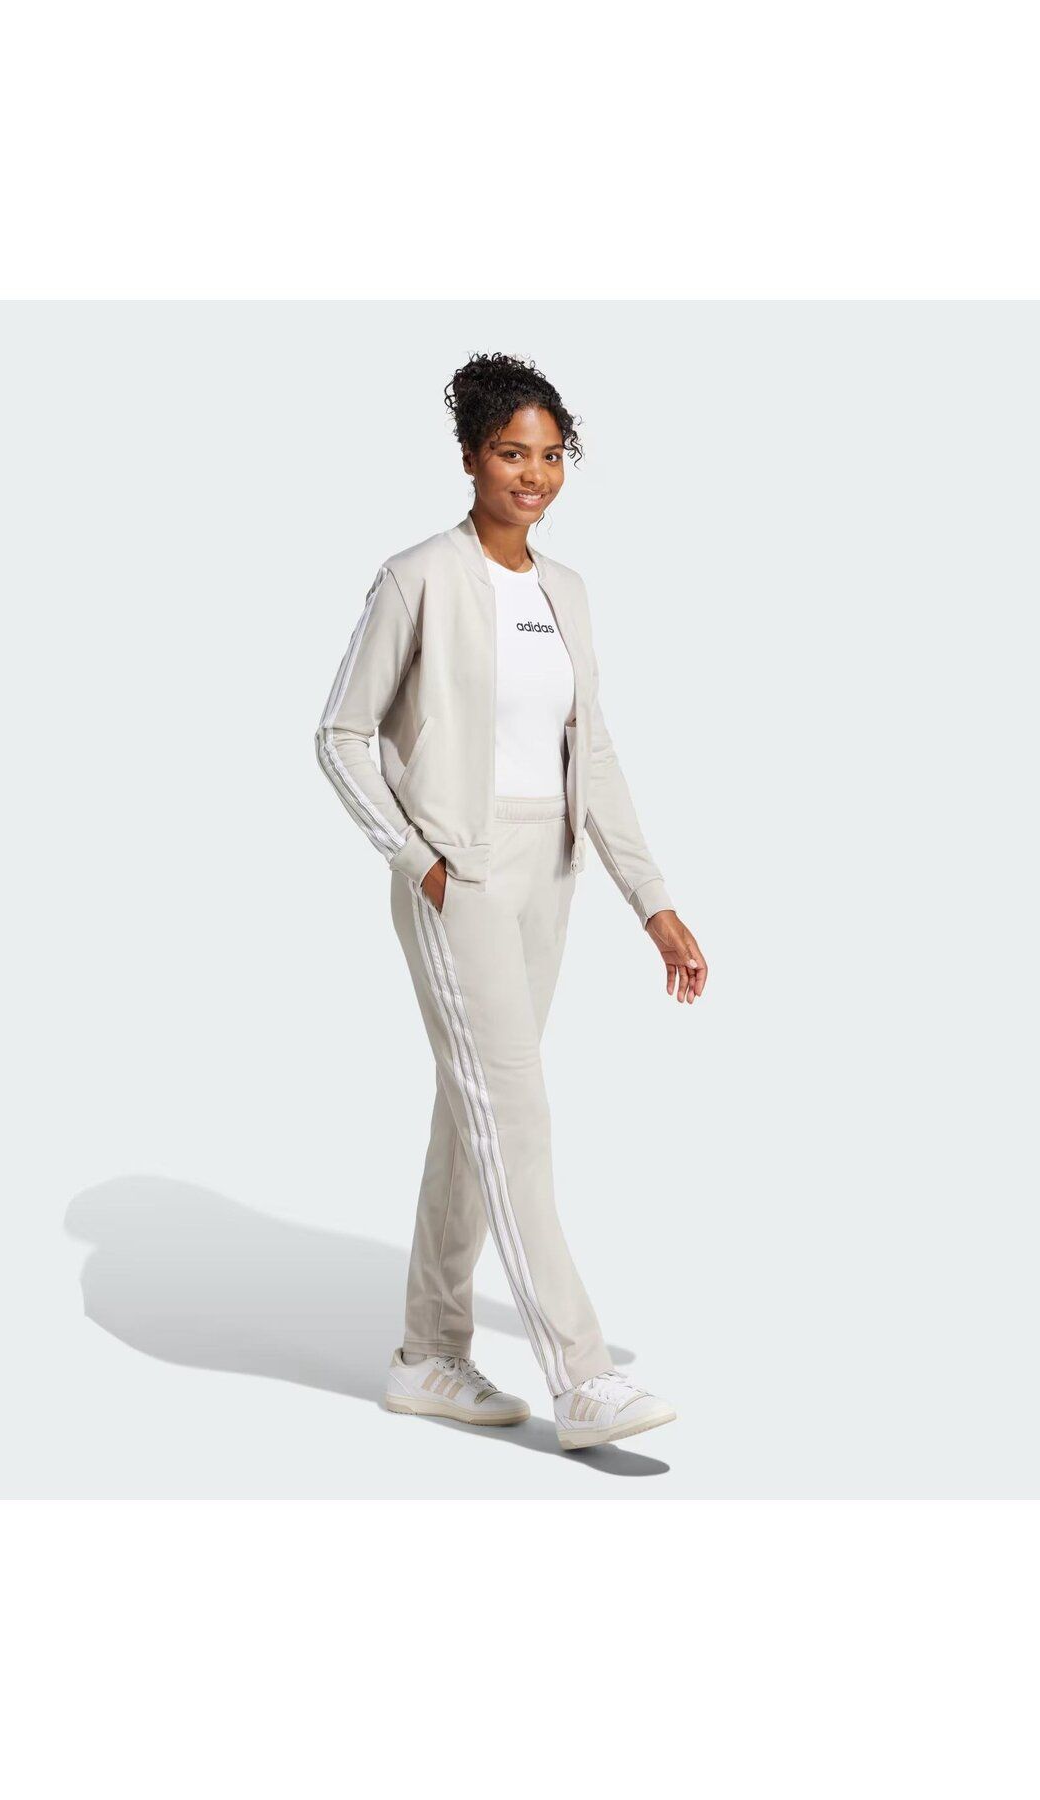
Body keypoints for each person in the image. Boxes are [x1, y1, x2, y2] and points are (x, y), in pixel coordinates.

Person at [315, 351, 708, 1450]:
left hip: (554, 871)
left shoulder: (565, 590)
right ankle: (583, 1377)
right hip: (464, 874)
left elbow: (596, 753)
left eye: (550, 455)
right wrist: (421, 861)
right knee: (517, 1112)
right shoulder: (418, 577)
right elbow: (340, 735)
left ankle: (428, 1356)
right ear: (469, 457)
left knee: (475, 1109)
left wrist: (653, 901)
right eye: (510, 453)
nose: (533, 475)